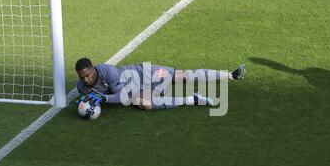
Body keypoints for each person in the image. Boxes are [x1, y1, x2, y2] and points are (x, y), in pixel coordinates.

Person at [75, 57, 246, 110]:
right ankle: (193, 99)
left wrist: (103, 98)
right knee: (145, 104)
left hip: (145, 74)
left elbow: (121, 97)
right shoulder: (82, 87)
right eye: (82, 77)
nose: (86, 80)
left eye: (88, 75)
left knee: (184, 76)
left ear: (93, 69)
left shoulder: (108, 71)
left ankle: (230, 75)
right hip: (137, 90)